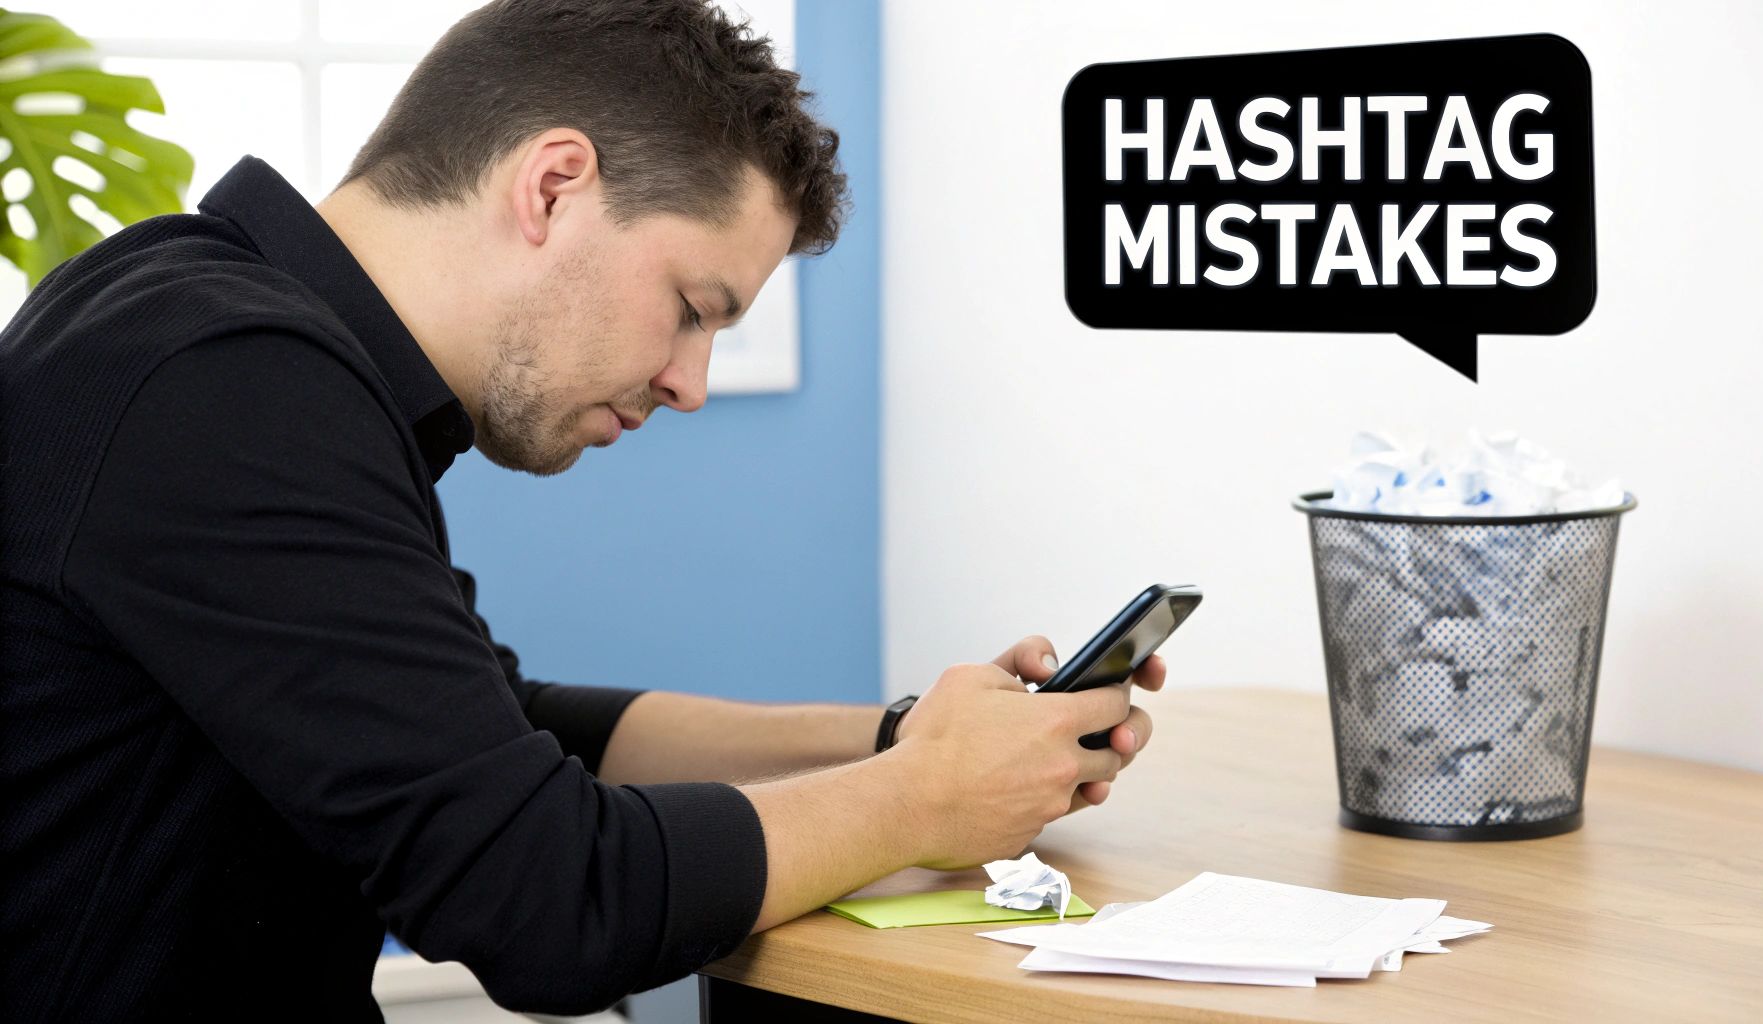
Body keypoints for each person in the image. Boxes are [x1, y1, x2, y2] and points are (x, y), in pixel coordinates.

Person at [0, 0, 1163, 1018]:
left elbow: (507, 729)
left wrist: (887, 736)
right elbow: (544, 901)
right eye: (692, 306)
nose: (690, 382)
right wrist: (920, 799)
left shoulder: (219, 329)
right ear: (553, 185)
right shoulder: (228, 380)